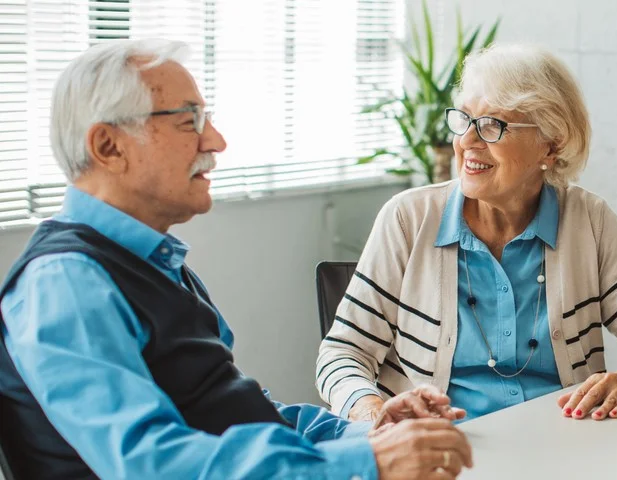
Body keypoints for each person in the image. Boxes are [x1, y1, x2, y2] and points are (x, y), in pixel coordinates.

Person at [0, 39, 472, 479]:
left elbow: (238, 415)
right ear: (108, 146)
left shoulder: (154, 265)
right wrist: (363, 459)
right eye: (190, 122)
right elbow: (152, 463)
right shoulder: (64, 282)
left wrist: (369, 432)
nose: (216, 142)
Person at [316, 43, 617, 423]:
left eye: (491, 126)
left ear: (550, 147)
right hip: (444, 454)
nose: (467, 141)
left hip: (567, 454)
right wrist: (373, 415)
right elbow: (342, 354)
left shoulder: (589, 222)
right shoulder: (408, 219)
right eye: (464, 120)